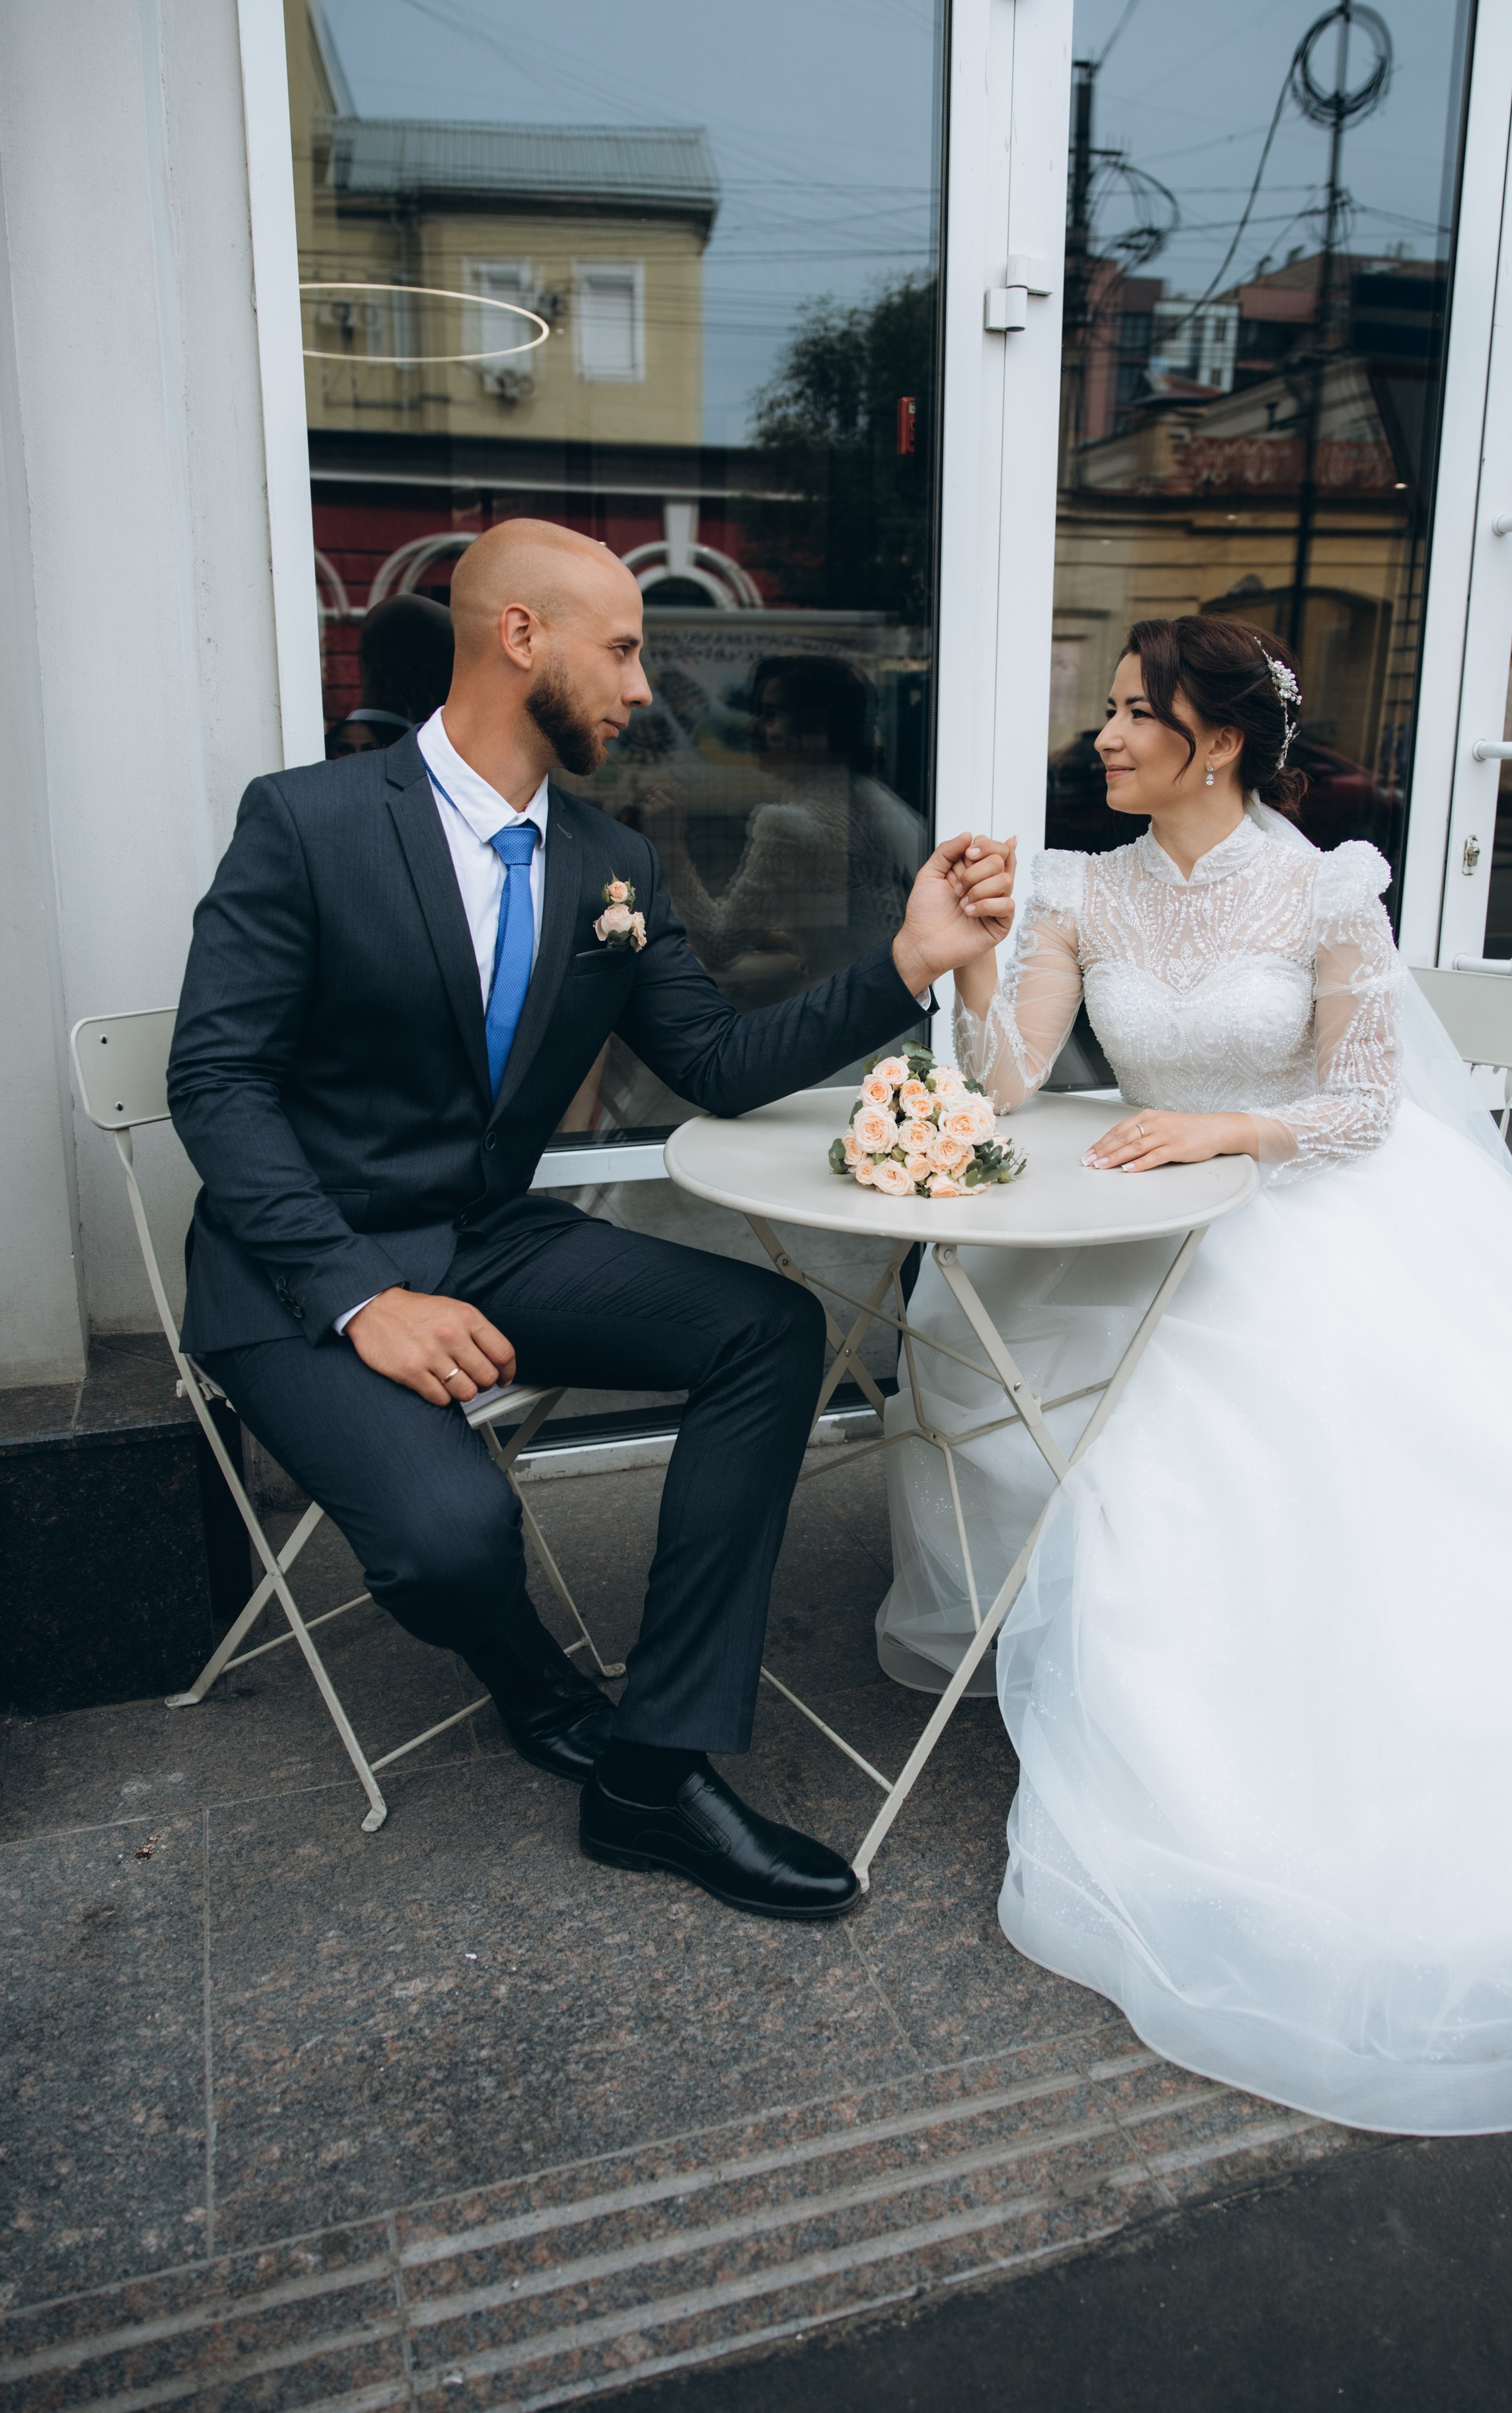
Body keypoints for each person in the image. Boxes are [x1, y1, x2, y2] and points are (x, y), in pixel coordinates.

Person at [885, 611, 1512, 2135]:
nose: (1101, 736)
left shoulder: (1331, 888)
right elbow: (1006, 1086)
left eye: (1132, 712)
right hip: (1139, 1207)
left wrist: (1229, 1129)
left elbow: (1366, 1106)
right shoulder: (1082, 888)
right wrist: (978, 969)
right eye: (1105, 712)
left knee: (1268, 1427)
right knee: (999, 1355)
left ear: (1224, 740)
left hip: (1307, 1209)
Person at [166, 519, 1013, 1922]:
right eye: (621, 649)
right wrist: (361, 1300)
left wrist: (907, 961)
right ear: (520, 638)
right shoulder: (306, 821)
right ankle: (538, 1686)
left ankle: (654, 1768)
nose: (638, 688)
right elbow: (217, 1079)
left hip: (484, 1240)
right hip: (300, 1267)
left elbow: (721, 1066)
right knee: (449, 1538)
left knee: (768, 1328)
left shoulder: (608, 859)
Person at [643, 656, 925, 1004]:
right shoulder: (867, 795)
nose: (752, 728)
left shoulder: (788, 824)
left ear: (817, 729)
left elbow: (718, 946)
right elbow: (849, 921)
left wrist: (670, 846)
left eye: (770, 714)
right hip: (890, 999)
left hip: (841, 1007)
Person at [324, 593, 456, 757]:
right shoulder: (429, 755)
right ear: (428, 680)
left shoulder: (328, 746)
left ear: (363, 666)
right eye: (454, 673)